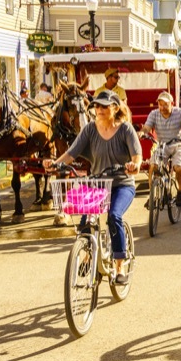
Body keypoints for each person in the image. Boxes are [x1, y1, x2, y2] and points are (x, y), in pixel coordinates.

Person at [51, 90, 142, 284]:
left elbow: (137, 156)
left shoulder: (125, 129)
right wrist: (55, 164)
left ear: (115, 108)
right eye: (97, 106)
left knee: (114, 216)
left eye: (104, 106)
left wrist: (134, 165)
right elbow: (71, 153)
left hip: (122, 184)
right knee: (85, 221)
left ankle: (119, 266)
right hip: (98, 183)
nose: (99, 109)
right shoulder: (90, 129)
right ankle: (86, 254)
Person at [142, 91, 181, 206]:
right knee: (153, 166)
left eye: (165, 104)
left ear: (172, 103)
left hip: (179, 144)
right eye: (160, 104)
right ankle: (152, 195)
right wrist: (142, 132)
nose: (162, 107)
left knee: (178, 167)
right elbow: (146, 127)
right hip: (162, 145)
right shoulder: (154, 114)